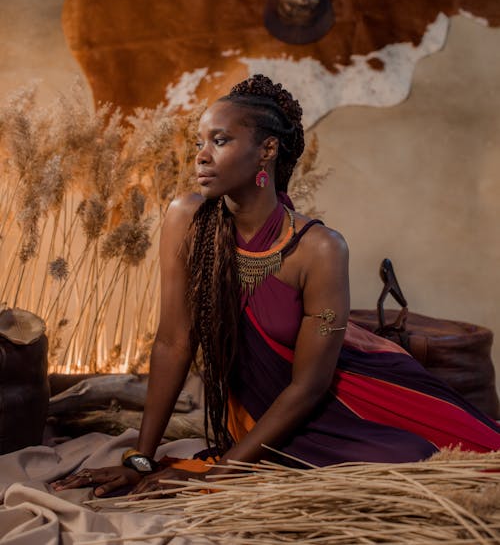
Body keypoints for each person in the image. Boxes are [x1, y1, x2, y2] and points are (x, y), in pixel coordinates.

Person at [54, 74, 500, 497]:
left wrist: (221, 474)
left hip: (340, 402)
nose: (201, 155)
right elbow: (174, 341)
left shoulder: (320, 249)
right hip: (255, 417)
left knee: (419, 461)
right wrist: (141, 460)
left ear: (267, 150)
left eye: (220, 140)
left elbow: (310, 386)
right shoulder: (186, 219)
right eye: (199, 142)